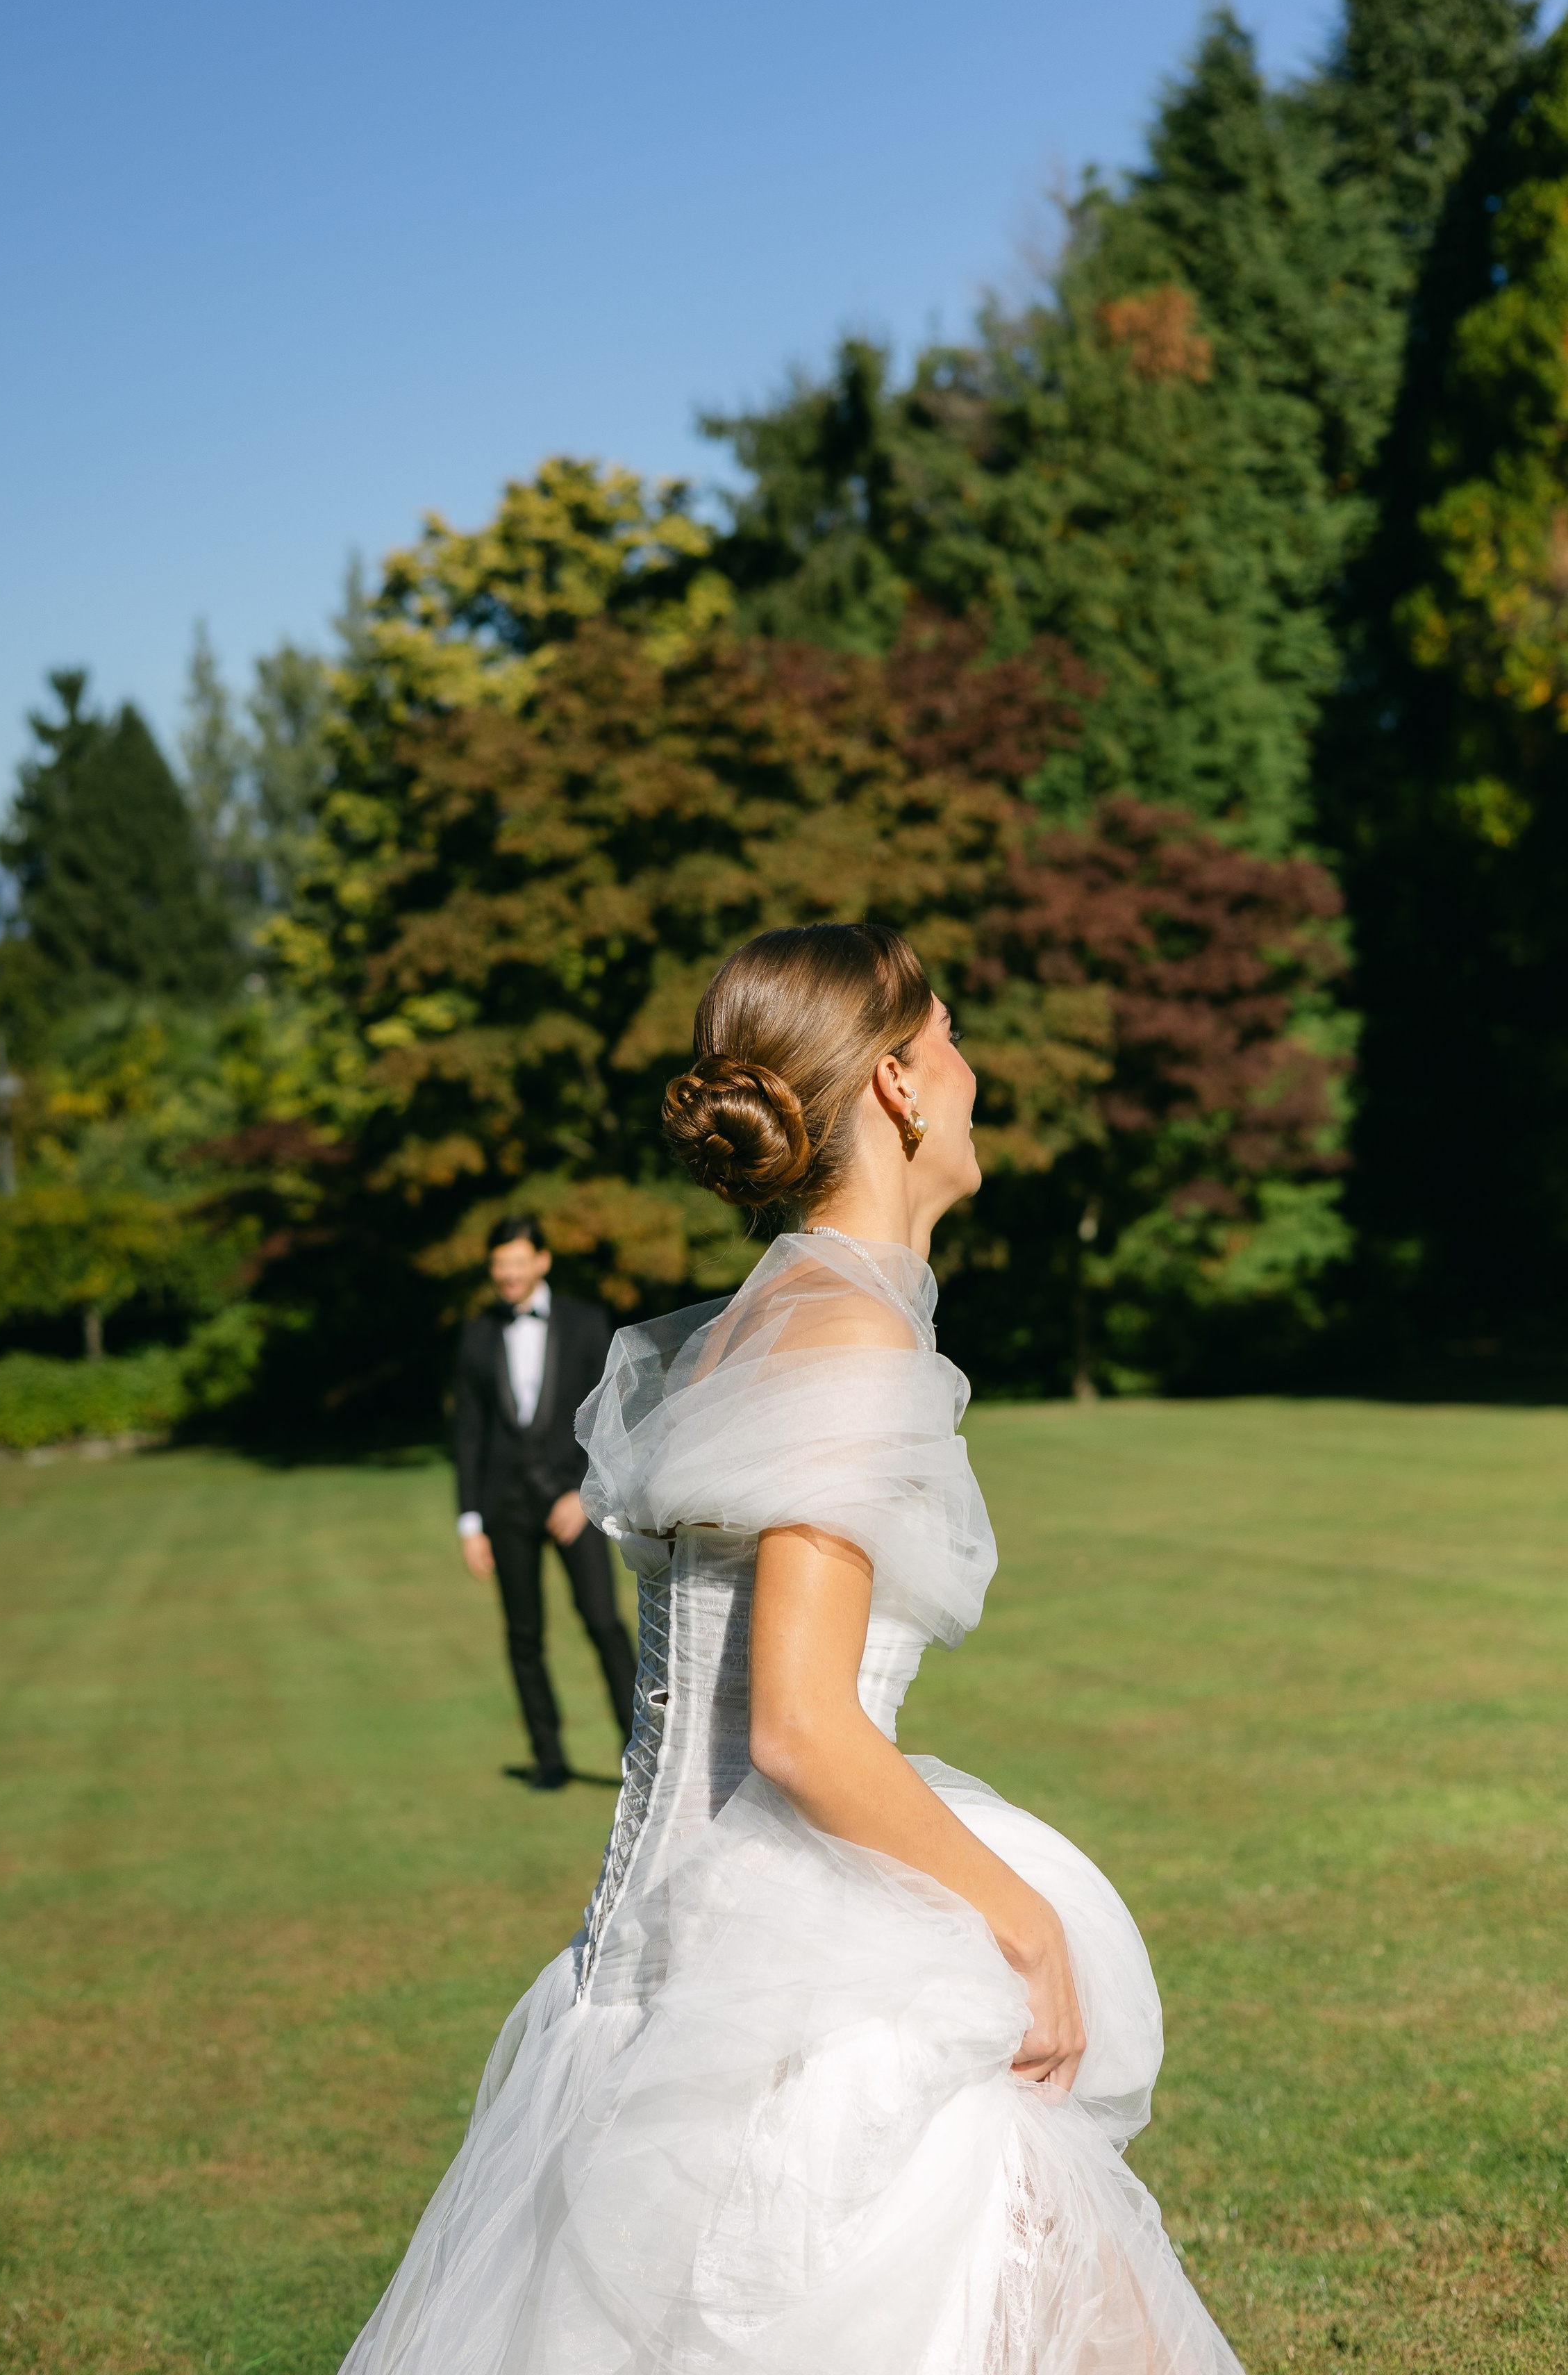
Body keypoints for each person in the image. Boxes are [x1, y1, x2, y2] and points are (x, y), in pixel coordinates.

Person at [343, 925, 1244, 2374]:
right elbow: (801, 1728)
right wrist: (1017, 1927)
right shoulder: (842, 1338)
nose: (971, 1071)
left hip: (652, 1968)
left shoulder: (760, 1326)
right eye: (948, 1039)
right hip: (781, 1985)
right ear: (895, 1085)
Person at [453, 1214, 636, 1790]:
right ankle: (549, 1759)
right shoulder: (476, 1334)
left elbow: (610, 1421)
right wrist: (470, 1522)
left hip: (573, 1503)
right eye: (498, 1266)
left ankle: (644, 1754)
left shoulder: (587, 1323)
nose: (507, 1275)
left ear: (542, 1261)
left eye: (516, 1263)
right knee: (523, 1635)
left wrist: (582, 1496)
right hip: (504, 1507)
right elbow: (468, 1433)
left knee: (605, 1623)